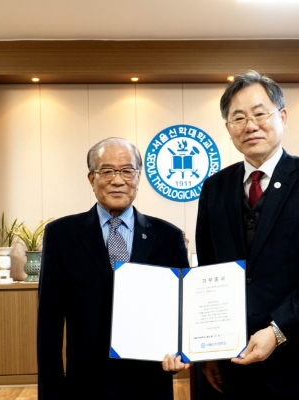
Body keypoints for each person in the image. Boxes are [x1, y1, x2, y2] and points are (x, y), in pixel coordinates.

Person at [195, 71, 299, 399]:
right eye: (238, 117)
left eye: (259, 113)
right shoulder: (214, 189)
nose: (250, 125)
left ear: (281, 116)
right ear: (228, 129)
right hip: (236, 363)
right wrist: (209, 353)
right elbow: (209, 273)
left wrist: (277, 330)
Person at [37, 137, 190, 399]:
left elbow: (183, 308)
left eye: (127, 171)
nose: (118, 180)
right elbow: (48, 322)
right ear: (91, 178)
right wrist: (51, 390)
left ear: (138, 177)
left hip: (150, 381)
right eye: (107, 171)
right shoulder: (61, 235)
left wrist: (183, 352)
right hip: (85, 383)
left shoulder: (168, 236)